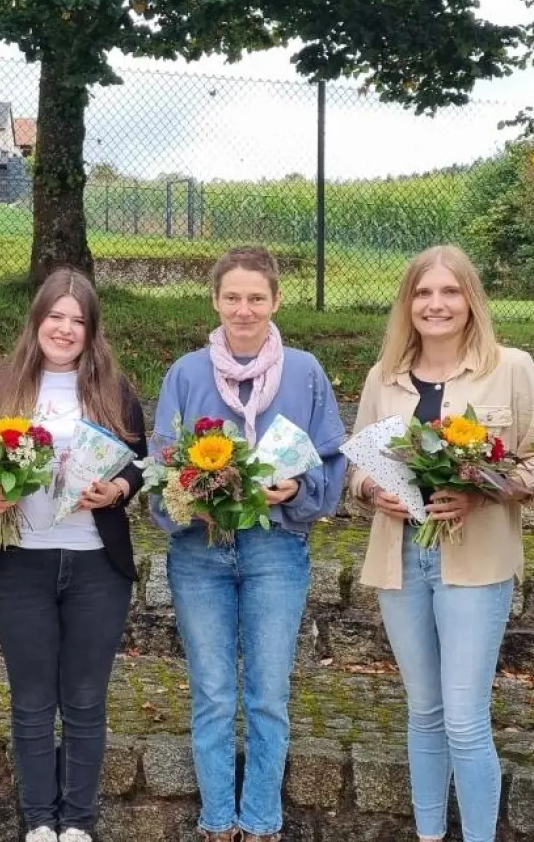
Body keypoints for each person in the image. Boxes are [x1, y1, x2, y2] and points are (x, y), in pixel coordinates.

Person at [348, 245, 534, 842]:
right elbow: (356, 462)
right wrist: (373, 490)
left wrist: (482, 491)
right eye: (422, 293)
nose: (435, 304)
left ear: (471, 299)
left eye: (449, 291)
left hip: (476, 563)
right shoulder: (383, 376)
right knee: (424, 712)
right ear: (407, 303)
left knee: (464, 720)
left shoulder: (511, 367)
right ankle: (430, 834)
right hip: (402, 559)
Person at [152, 245, 347, 842]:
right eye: (232, 297)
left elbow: (330, 461)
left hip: (275, 548)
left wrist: (298, 489)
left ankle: (260, 821)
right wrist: (186, 494)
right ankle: (217, 820)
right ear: (214, 300)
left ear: (276, 301)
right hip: (199, 552)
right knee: (212, 693)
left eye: (256, 298)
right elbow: (160, 466)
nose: (244, 309)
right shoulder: (186, 374)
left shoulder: (305, 372)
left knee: (268, 694)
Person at [0, 269, 148, 842]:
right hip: (20, 562)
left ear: (92, 330)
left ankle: (78, 824)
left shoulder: (115, 391)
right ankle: (41, 821)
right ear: (37, 319)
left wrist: (116, 490)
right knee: (33, 700)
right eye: (55, 316)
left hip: (96, 566)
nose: (65, 329)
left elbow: (138, 464)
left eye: (78, 320)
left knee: (86, 699)